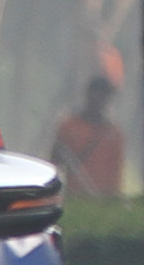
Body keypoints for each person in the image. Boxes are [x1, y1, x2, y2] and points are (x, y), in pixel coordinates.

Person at [49, 55, 130, 198]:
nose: (99, 100)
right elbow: (55, 161)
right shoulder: (69, 126)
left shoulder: (114, 133)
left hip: (104, 199)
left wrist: (114, 196)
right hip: (75, 196)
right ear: (88, 95)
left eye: (104, 96)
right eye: (96, 94)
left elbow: (116, 170)